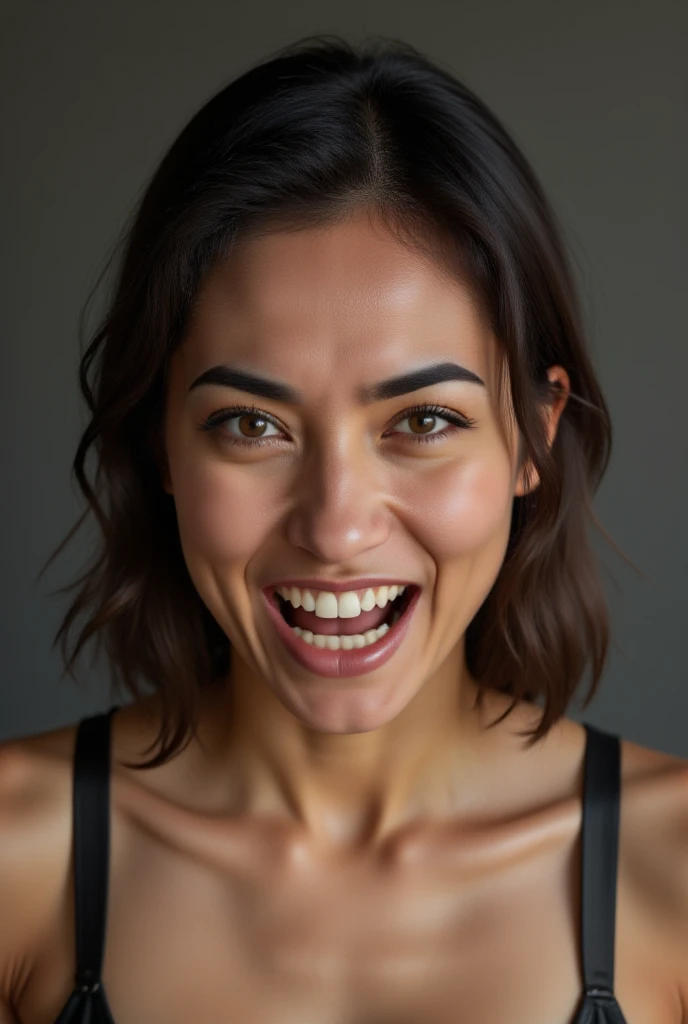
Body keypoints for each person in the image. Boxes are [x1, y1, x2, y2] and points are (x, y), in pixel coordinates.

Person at [1, 34, 686, 1024]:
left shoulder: (670, 870)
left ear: (534, 437)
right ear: (161, 444)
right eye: (251, 424)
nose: (333, 526)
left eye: (421, 422)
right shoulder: (21, 860)